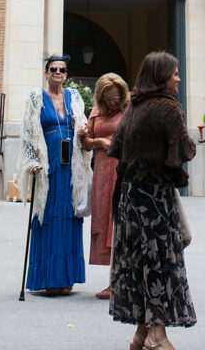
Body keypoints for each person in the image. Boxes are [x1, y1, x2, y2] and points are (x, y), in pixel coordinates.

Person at [108, 51, 196, 350]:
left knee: (141, 264)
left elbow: (119, 148)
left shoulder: (134, 108)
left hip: (131, 199)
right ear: (161, 77)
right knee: (158, 263)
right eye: (174, 73)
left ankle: (141, 334)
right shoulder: (167, 108)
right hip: (155, 200)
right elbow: (184, 151)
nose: (178, 78)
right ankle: (157, 338)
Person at [18, 54, 90, 295]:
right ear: (46, 73)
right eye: (53, 69)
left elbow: (83, 124)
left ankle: (66, 278)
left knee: (69, 217)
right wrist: (32, 162)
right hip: (48, 166)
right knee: (47, 216)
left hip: (71, 167)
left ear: (66, 74)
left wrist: (81, 129)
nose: (58, 72)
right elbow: (28, 134)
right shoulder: (35, 98)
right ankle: (48, 278)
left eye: (62, 69)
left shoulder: (74, 97)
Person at [78, 72, 130, 299]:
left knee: (120, 222)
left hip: (122, 170)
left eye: (117, 97)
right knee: (106, 221)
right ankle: (115, 280)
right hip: (101, 172)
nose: (113, 102)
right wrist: (97, 141)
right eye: (109, 98)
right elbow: (85, 142)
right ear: (101, 97)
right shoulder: (96, 112)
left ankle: (121, 281)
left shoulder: (129, 110)